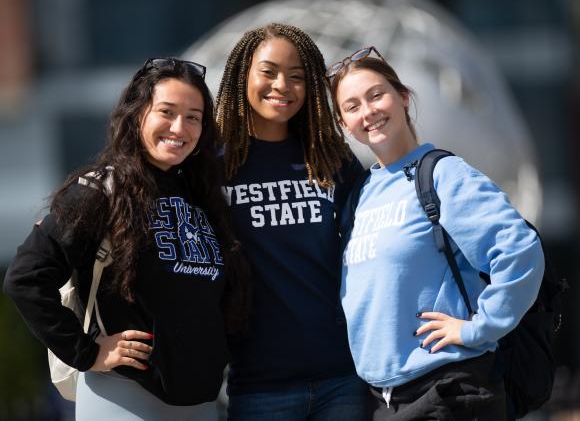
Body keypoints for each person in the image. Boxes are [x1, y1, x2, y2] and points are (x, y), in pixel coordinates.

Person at [3, 57, 250, 420]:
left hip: (199, 400)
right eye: (166, 112)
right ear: (138, 116)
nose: (179, 127)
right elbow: (25, 278)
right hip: (123, 394)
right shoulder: (101, 189)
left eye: (193, 117)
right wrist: (87, 352)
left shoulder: (205, 200)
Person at [328, 46, 544, 420]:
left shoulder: (443, 174)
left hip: (449, 392)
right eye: (352, 106)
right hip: (383, 402)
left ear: (404, 97)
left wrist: (480, 327)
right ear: (344, 124)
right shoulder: (359, 196)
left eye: (377, 95)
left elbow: (520, 249)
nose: (368, 111)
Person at [215, 23, 368, 420]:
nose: (282, 85)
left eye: (297, 76)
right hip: (258, 386)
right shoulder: (212, 166)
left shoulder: (331, 159)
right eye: (268, 72)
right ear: (241, 75)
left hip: (343, 379)